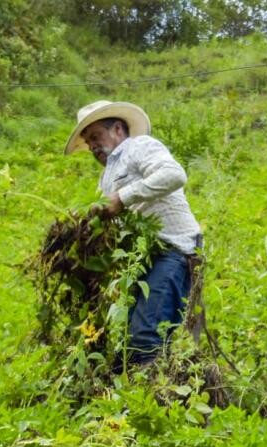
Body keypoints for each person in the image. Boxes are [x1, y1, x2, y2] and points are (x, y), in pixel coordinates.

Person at [64, 100, 202, 366]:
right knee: (128, 337)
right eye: (88, 141)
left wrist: (123, 197)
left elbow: (174, 174)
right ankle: (129, 395)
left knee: (146, 336)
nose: (92, 146)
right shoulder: (106, 176)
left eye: (96, 137)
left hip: (173, 249)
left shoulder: (140, 146)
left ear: (117, 128)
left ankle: (152, 400)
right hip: (141, 258)